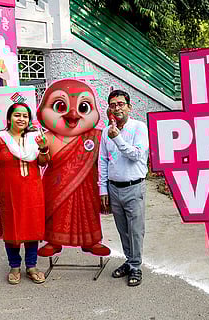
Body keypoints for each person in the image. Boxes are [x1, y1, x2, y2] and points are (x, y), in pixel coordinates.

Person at [36, 79, 110, 257]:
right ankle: (53, 241)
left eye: (83, 108)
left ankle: (90, 241)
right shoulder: (45, 137)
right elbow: (41, 162)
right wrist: (44, 149)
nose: (73, 115)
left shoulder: (96, 136)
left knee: (87, 211)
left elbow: (110, 157)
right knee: (57, 211)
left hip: (87, 184)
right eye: (60, 106)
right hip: (56, 185)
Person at [0, 103, 50, 285]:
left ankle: (31, 266)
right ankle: (14, 266)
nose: (21, 119)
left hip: (33, 192)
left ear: (29, 120)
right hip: (9, 193)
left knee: (32, 227)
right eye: (17, 115)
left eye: (25, 116)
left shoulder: (35, 138)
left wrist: (44, 148)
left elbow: (43, 163)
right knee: (11, 227)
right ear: (9, 118)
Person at [99, 89, 149, 286]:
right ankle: (130, 261)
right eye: (113, 105)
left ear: (129, 107)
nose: (117, 108)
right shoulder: (105, 131)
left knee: (136, 229)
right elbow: (103, 161)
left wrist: (117, 138)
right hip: (114, 188)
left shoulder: (139, 127)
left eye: (121, 104)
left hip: (134, 187)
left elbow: (136, 154)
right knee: (122, 229)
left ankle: (136, 266)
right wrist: (103, 189)